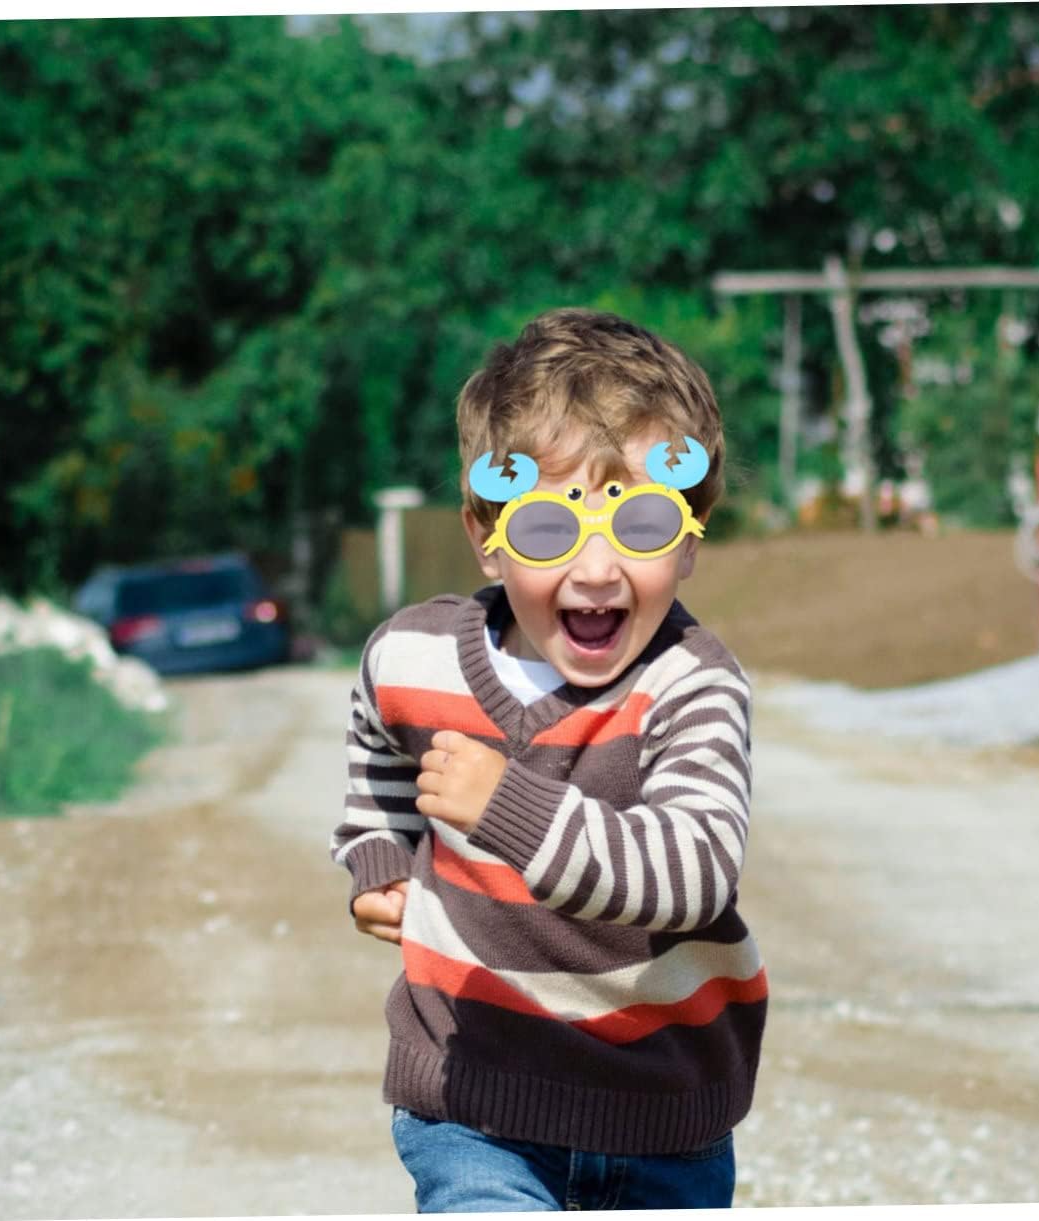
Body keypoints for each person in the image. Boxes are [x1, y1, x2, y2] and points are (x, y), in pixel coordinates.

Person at [330, 308, 767, 1212]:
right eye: (545, 531)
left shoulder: (691, 685)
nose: (596, 570)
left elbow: (693, 873)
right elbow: (376, 741)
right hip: (472, 1099)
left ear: (691, 535)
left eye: (641, 524)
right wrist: (379, 855)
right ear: (484, 534)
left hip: (661, 1111)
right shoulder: (412, 657)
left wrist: (507, 806)